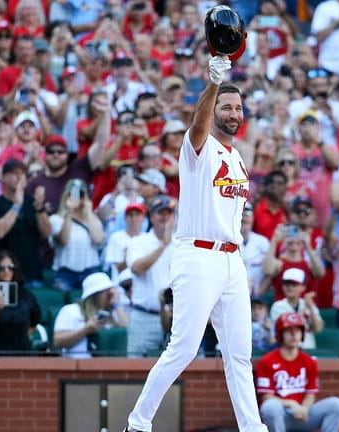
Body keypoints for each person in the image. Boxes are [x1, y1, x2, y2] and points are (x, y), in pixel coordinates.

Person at [125, 56, 268, 432]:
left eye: (238, 108)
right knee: (184, 348)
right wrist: (213, 85)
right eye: (227, 106)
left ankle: (253, 428)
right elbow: (198, 123)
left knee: (239, 356)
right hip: (198, 254)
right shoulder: (197, 148)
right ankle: (137, 424)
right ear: (214, 110)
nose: (233, 113)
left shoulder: (237, 157)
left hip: (231, 260)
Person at [255, 312, 339, 432]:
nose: (294, 335)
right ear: (280, 334)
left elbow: (310, 394)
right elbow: (267, 397)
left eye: (297, 330)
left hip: (303, 414)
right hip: (281, 415)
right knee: (270, 406)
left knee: (336, 405)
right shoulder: (267, 361)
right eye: (289, 331)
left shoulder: (309, 361)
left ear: (302, 334)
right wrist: (292, 404)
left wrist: (304, 407)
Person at [0, 159, 51, 286]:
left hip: (32, 274)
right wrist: (16, 205)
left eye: (22, 174)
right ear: (3, 178)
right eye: (14, 173)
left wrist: (39, 209)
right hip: (4, 276)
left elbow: (46, 233)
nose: (19, 177)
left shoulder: (33, 203)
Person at [125, 196, 177, 358]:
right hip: (144, 317)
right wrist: (163, 245)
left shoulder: (181, 243)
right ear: (152, 217)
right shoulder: (140, 241)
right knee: (135, 368)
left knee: (180, 375)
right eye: (160, 213)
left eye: (168, 213)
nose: (164, 217)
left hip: (174, 319)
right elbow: (137, 268)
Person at [0, 250, 41, 355]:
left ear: (16, 270)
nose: (6, 271)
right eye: (2, 268)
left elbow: (34, 322)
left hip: (22, 353)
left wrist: (18, 335)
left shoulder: (26, 295)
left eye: (11, 267)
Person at [48, 179, 105, 292]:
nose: (77, 197)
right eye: (72, 193)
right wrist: (69, 212)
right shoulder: (56, 219)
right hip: (66, 273)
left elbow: (98, 240)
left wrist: (89, 211)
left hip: (90, 270)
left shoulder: (93, 220)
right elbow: (63, 240)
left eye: (80, 194)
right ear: (66, 195)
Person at [53, 272, 125, 358]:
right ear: (96, 295)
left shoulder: (115, 311)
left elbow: (128, 334)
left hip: (109, 365)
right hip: (76, 364)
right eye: (108, 293)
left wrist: (117, 305)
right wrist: (85, 330)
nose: (111, 296)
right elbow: (58, 341)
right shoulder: (71, 311)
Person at [269, 268, 324, 350]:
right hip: (287, 350)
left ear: (303, 287)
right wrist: (305, 308)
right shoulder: (277, 306)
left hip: (308, 348)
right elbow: (290, 325)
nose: (290, 287)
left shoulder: (309, 303)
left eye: (294, 285)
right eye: (286, 284)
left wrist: (311, 308)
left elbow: (317, 329)